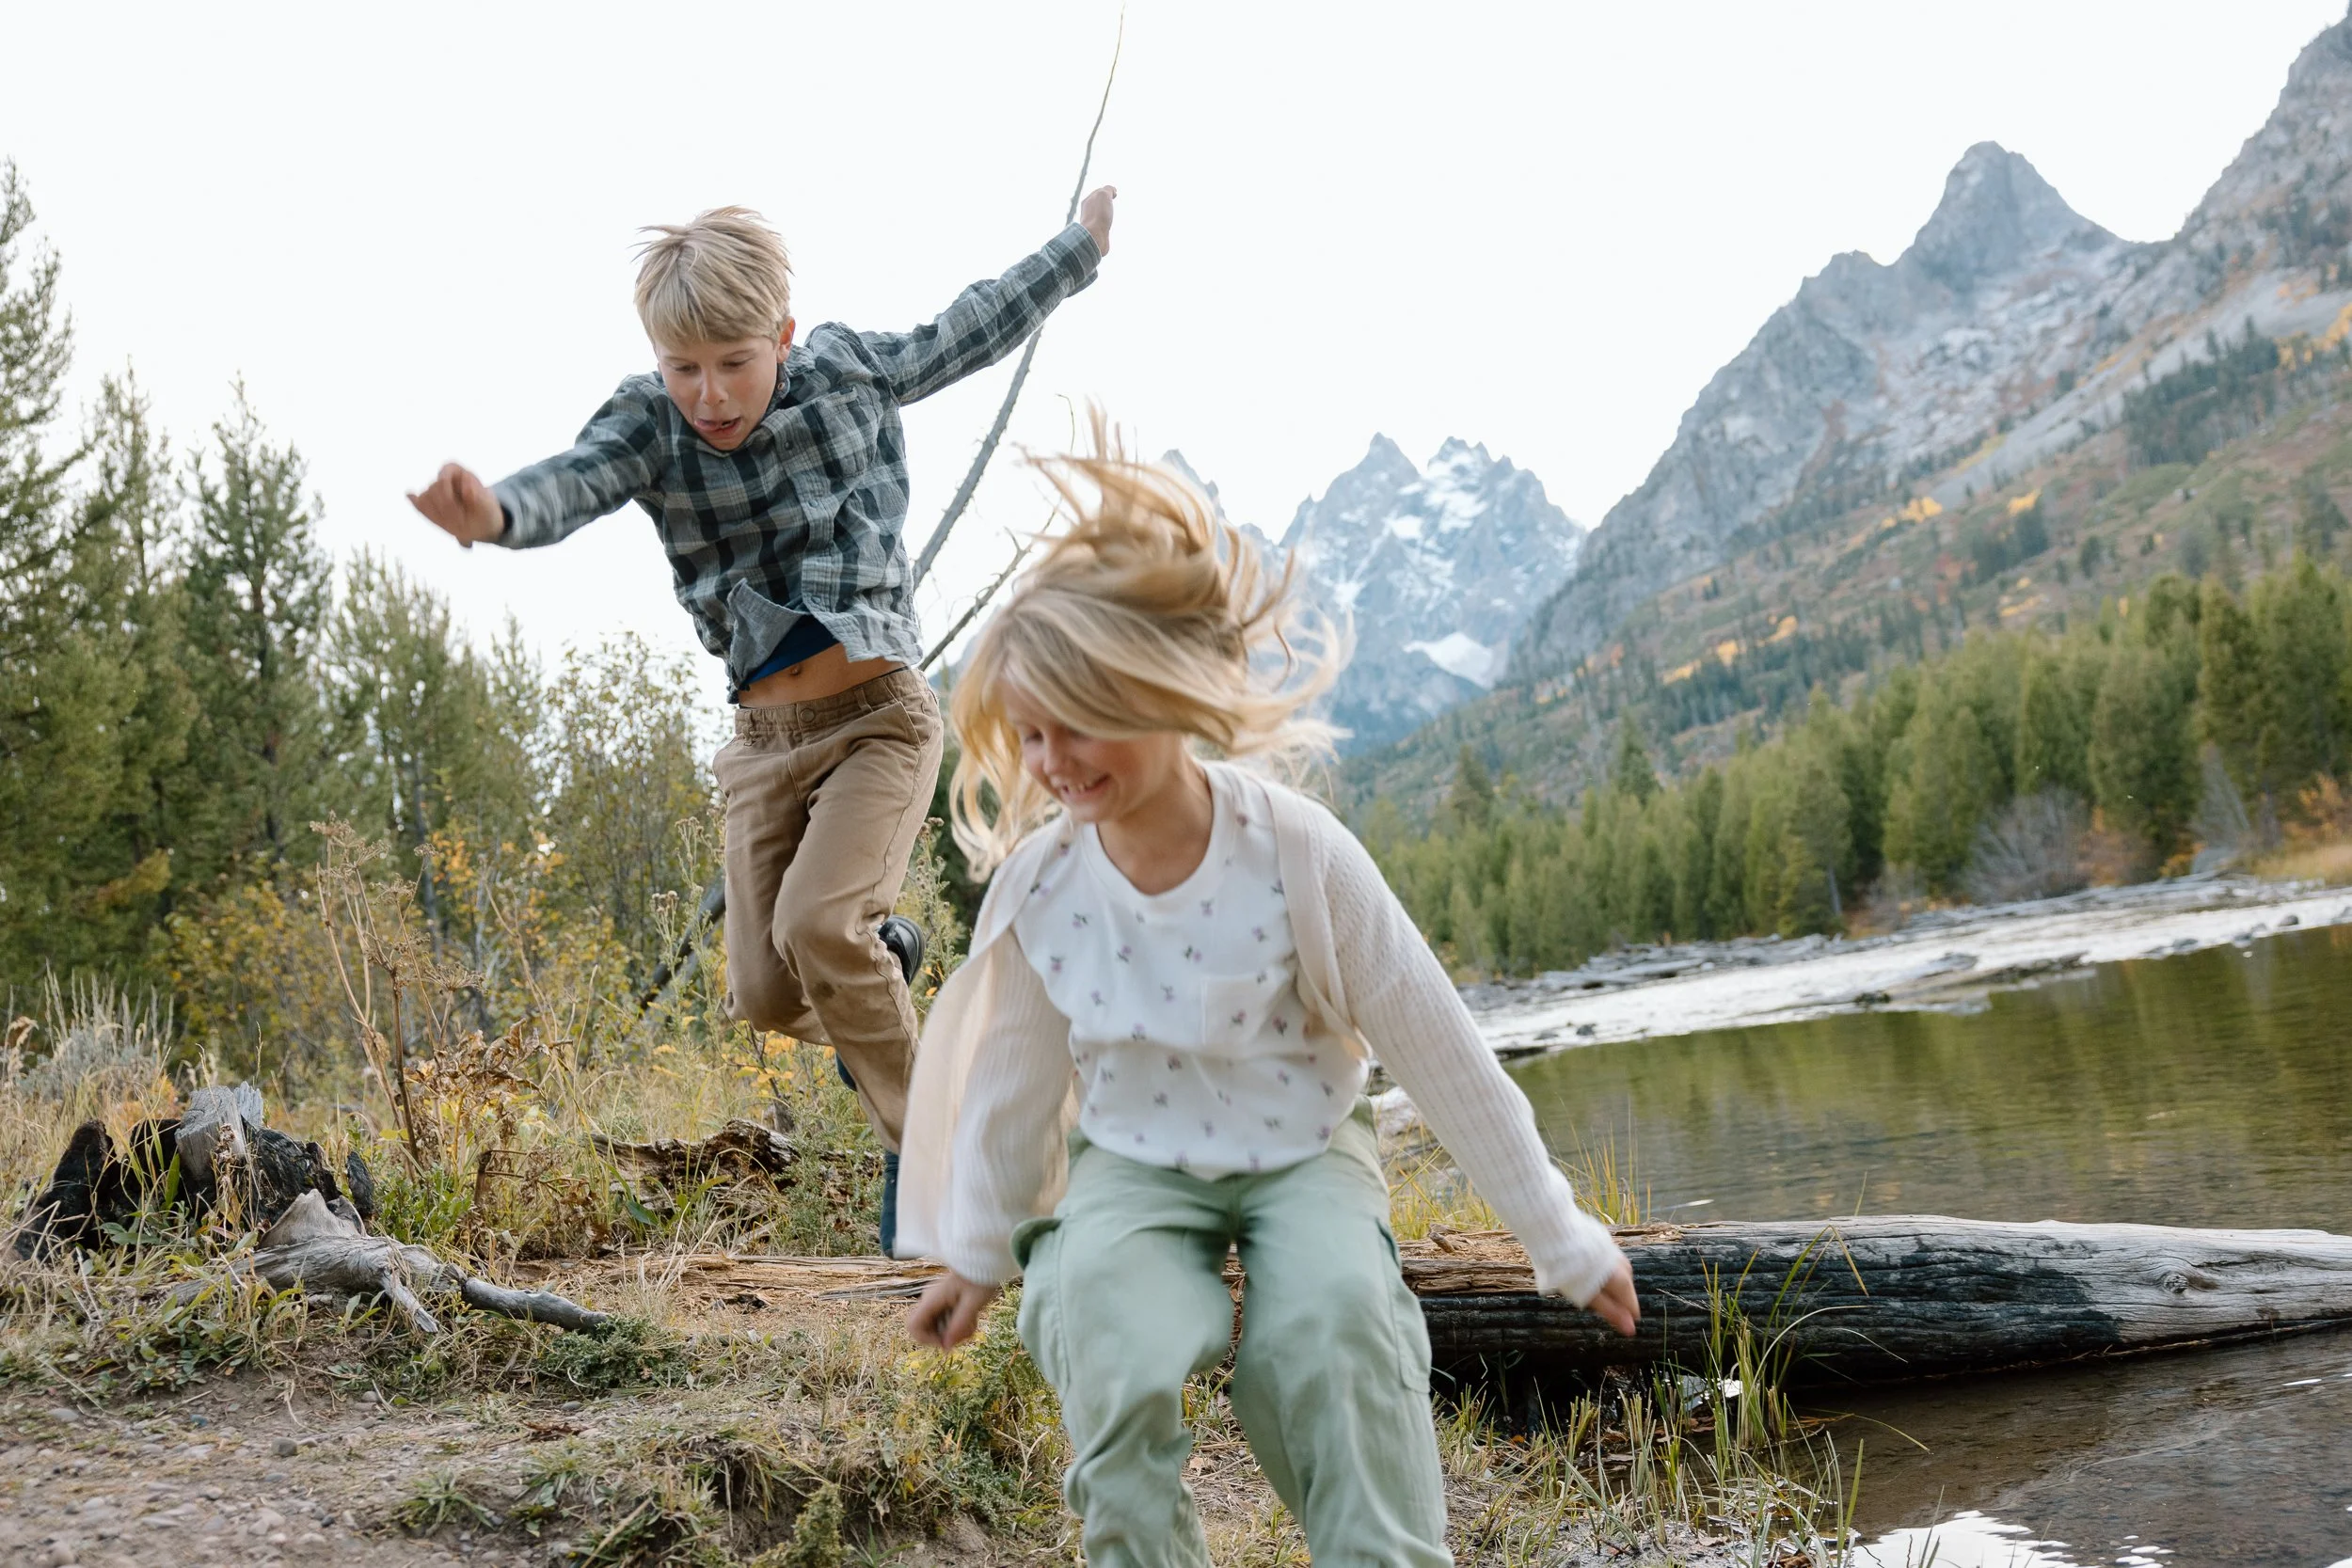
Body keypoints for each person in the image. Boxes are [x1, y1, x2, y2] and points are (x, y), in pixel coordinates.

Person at [893, 428, 1640, 1567]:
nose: (1049, 760)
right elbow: (1012, 1081)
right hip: (1133, 1158)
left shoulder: (1296, 852)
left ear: (1162, 691)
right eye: (1029, 733)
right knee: (1095, 1306)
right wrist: (981, 1249)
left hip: (1304, 1145)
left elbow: (1436, 1044)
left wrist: (1558, 1232)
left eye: (1076, 722)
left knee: (1334, 1322)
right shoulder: (1045, 887)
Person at [406, 192, 1118, 1255]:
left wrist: (1080, 247)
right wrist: (496, 513)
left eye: (734, 363)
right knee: (764, 989)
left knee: (821, 928)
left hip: (876, 721)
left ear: (782, 336)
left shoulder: (847, 372)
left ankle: (958, 1178)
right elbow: (577, 480)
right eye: (683, 368)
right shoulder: (649, 423)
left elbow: (969, 328)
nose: (709, 395)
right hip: (761, 747)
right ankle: (893, 968)